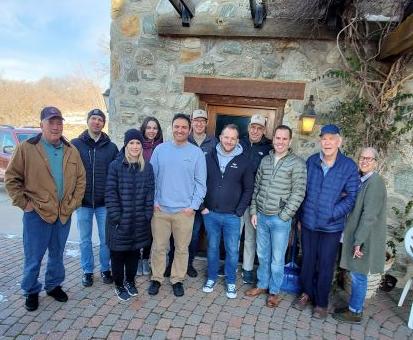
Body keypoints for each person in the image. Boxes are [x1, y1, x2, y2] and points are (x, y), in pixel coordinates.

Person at [5, 106, 86, 311]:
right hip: (37, 214)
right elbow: (12, 179)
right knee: (34, 257)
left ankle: (53, 285)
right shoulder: (27, 148)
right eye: (51, 122)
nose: (56, 126)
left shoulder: (70, 149)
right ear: (42, 124)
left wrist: (74, 203)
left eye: (59, 122)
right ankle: (31, 290)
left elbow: (81, 179)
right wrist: (26, 205)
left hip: (63, 213)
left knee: (57, 255)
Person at [293, 124, 359, 319]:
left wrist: (332, 213)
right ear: (320, 141)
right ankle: (305, 294)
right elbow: (302, 191)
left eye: (331, 138)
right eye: (324, 138)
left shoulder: (348, 166)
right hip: (309, 223)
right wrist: (299, 217)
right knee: (307, 261)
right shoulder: (312, 161)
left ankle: (321, 303)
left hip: (331, 227)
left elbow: (351, 197)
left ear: (339, 141)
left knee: (325, 264)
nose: (327, 142)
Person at [245, 125, 306, 307]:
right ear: (273, 139)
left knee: (277, 259)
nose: (280, 142)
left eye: (284, 139)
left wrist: (285, 215)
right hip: (262, 216)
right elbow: (257, 188)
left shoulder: (297, 163)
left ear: (290, 141)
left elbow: (299, 193)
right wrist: (254, 211)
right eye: (277, 138)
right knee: (262, 255)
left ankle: (274, 291)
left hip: (280, 219)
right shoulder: (266, 160)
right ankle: (262, 284)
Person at [148, 113, 206, 297]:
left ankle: (177, 279)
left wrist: (193, 206)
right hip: (161, 210)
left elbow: (201, 183)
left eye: (183, 127)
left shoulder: (196, 153)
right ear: (171, 128)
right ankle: (156, 278)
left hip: (184, 212)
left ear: (189, 130)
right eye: (176, 126)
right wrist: (154, 202)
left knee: (182, 249)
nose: (180, 130)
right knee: (158, 247)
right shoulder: (160, 150)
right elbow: (152, 179)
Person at [333, 147, 387, 323]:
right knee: (356, 272)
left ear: (375, 163)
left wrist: (359, 241)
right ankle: (353, 307)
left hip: (365, 237)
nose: (364, 161)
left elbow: (369, 216)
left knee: (359, 274)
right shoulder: (362, 180)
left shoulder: (375, 182)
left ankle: (355, 311)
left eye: (369, 159)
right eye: (362, 157)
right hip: (357, 234)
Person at [201, 124, 254, 299]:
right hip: (211, 214)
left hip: (232, 216)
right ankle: (211, 277)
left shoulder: (244, 160)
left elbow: (248, 189)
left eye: (233, 138)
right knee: (213, 247)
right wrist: (203, 207)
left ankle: (231, 281)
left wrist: (239, 211)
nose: (229, 141)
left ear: (237, 140)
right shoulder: (209, 157)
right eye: (226, 137)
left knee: (232, 250)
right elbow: (200, 182)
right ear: (220, 137)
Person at [165, 109, 217, 278]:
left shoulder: (214, 142)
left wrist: (201, 203)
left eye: (202, 121)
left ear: (206, 123)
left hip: (202, 198)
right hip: (184, 198)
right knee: (176, 235)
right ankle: (171, 262)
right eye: (196, 120)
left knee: (194, 235)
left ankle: (188, 264)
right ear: (191, 123)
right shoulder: (184, 140)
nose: (199, 123)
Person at [105, 129, 154, 301]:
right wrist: (117, 217)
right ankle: (119, 284)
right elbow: (110, 194)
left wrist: (147, 214)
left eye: (138, 143)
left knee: (134, 253)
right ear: (126, 145)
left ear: (142, 146)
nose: (135, 146)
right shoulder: (115, 166)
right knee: (118, 255)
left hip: (139, 221)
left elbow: (150, 193)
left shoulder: (147, 167)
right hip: (119, 222)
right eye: (131, 143)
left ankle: (130, 281)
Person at [71, 109, 119, 287]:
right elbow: (70, 171)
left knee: (106, 239)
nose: (96, 122)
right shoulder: (75, 144)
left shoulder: (111, 147)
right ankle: (87, 271)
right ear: (88, 121)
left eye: (100, 119)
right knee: (85, 239)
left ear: (103, 123)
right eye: (93, 118)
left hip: (103, 204)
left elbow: (116, 174)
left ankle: (105, 269)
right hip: (82, 202)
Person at [239, 114, 272, 284]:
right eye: (253, 127)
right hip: (236, 199)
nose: (255, 130)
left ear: (264, 130)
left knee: (250, 238)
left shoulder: (269, 148)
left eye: (259, 128)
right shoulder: (240, 143)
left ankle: (247, 269)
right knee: (233, 236)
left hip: (254, 202)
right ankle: (230, 265)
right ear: (249, 127)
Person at [137, 116, 164, 276]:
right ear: (144, 129)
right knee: (137, 228)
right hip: (138, 193)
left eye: (155, 128)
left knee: (150, 230)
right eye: (149, 128)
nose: (152, 131)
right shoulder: (137, 145)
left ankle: (145, 259)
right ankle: (136, 260)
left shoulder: (163, 147)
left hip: (155, 195)